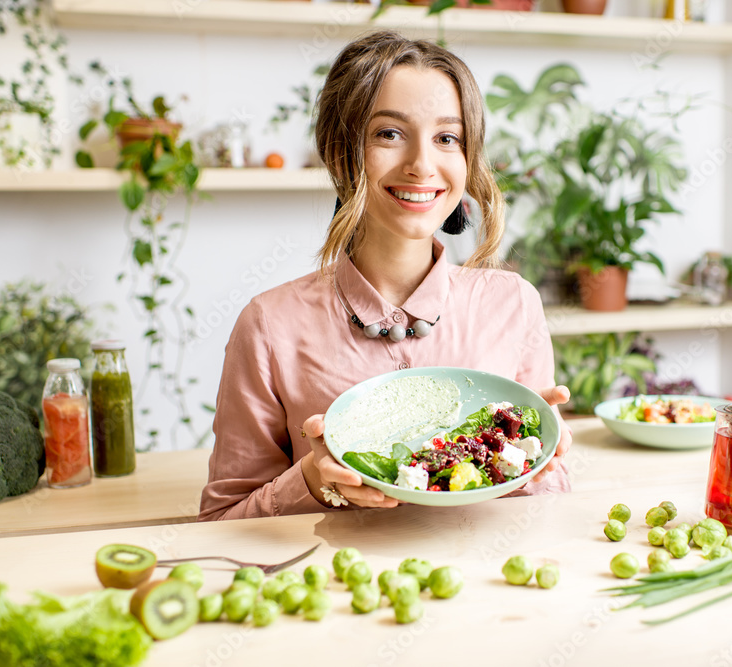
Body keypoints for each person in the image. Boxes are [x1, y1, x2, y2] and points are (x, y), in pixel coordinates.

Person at [199, 31, 572, 520]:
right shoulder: (270, 326)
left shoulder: (513, 304)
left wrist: (536, 457)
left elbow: (549, 501)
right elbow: (220, 521)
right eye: (389, 134)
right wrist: (309, 481)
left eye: (447, 138)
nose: (421, 165)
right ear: (340, 153)